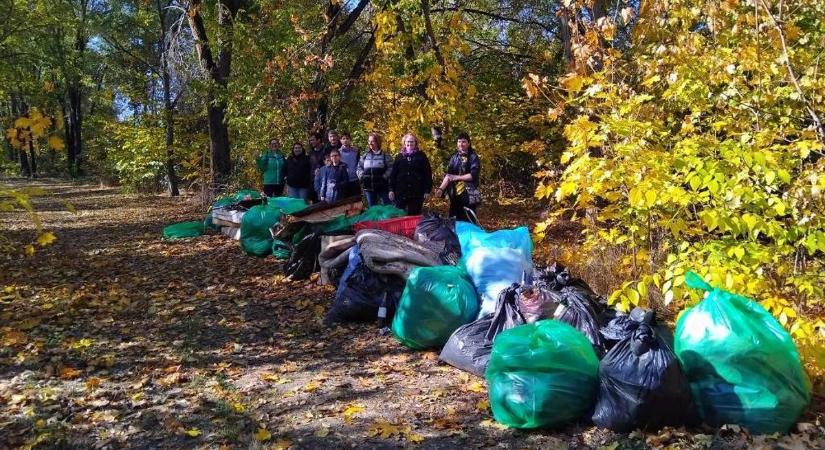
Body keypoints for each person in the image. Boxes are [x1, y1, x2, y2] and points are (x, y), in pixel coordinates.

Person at [435, 132, 481, 222]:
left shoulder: (473, 157)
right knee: (454, 220)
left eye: (463, 142)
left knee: (468, 220)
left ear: (469, 143)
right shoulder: (454, 157)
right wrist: (441, 189)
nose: (461, 144)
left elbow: (473, 175)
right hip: (454, 195)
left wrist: (456, 177)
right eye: (459, 141)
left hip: (469, 194)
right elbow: (448, 176)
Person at [389, 133, 432, 215]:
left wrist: (427, 190)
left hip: (417, 192)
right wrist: (391, 189)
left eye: (412, 142)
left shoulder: (421, 156)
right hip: (401, 191)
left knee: (414, 216)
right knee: (399, 215)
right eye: (408, 141)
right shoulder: (399, 156)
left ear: (415, 143)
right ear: (404, 143)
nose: (410, 144)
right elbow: (393, 174)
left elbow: (428, 174)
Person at [357, 132, 393, 206]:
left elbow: (391, 168)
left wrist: (384, 177)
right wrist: (362, 176)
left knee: (387, 207)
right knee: (372, 209)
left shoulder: (385, 155)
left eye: (372, 141)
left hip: (382, 187)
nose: (370, 143)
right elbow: (359, 167)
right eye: (369, 141)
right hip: (369, 187)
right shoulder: (365, 155)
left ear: (377, 142)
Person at [338, 131, 361, 197]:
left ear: (350, 140)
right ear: (340, 140)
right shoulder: (338, 152)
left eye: (347, 138)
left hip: (355, 179)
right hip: (343, 180)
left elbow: (359, 164)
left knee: (357, 201)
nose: (345, 140)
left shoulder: (355, 151)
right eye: (343, 138)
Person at [308, 132, 326, 202]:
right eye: (310, 140)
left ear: (318, 140)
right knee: (314, 203)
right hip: (313, 182)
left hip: (324, 182)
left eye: (313, 140)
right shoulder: (310, 152)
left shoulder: (326, 150)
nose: (311, 142)